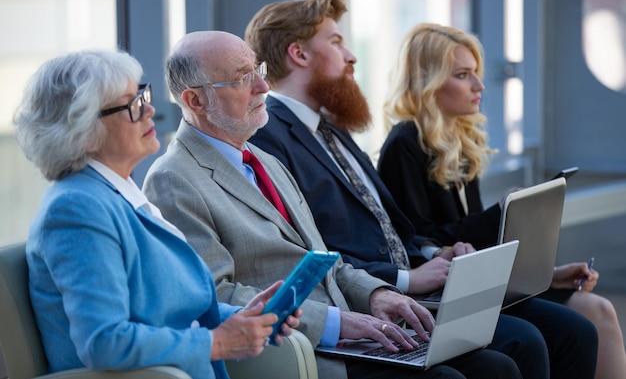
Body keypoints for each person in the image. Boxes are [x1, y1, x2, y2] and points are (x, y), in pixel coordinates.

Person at [244, 0, 598, 379]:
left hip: (417, 279)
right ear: (299, 54)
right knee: (524, 343)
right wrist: (407, 279)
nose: (351, 56)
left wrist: (435, 252)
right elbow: (312, 247)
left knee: (572, 331)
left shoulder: (330, 130)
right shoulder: (269, 136)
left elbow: (392, 228)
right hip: (376, 293)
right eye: (336, 41)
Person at [143, 29, 523, 379]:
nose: (262, 85)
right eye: (243, 78)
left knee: (498, 366)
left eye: (257, 69)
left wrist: (376, 293)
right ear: (195, 100)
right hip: (297, 350)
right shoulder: (173, 179)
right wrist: (336, 322)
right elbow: (218, 296)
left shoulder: (264, 161)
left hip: (350, 332)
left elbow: (322, 257)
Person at [12, 49, 301, 379]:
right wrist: (217, 342)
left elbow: (168, 312)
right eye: (131, 104)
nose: (150, 109)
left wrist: (245, 317)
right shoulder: (77, 208)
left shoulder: (118, 195)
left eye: (142, 94)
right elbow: (105, 342)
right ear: (82, 128)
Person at [378, 22, 624, 379]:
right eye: (464, 75)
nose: (479, 85)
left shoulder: (460, 137)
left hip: (478, 282)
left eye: (476, 73)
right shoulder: (404, 144)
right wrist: (499, 212)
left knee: (598, 311)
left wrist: (545, 276)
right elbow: (421, 240)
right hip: (447, 294)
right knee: (588, 319)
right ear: (427, 82)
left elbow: (471, 242)